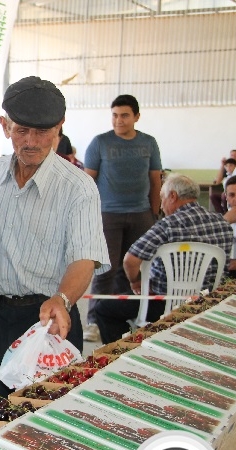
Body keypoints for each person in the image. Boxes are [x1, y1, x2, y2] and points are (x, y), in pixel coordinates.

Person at [0, 76, 109, 419]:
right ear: (5, 126)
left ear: (59, 128)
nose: (31, 142)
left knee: (43, 422)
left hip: (46, 323)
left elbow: (84, 258)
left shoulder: (78, 188)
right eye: (21, 130)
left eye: (43, 132)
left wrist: (63, 299)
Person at [93, 174, 233, 343]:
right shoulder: (222, 223)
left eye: (162, 198)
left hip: (163, 305)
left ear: (172, 196)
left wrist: (135, 281)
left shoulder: (167, 225)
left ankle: (128, 348)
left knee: (104, 309)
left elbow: (131, 260)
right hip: (208, 304)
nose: (161, 205)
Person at [84, 94, 162, 343]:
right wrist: (90, 215)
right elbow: (87, 181)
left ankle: (126, 317)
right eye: (115, 115)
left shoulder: (149, 143)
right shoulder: (100, 143)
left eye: (125, 115)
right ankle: (94, 321)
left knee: (135, 270)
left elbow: (155, 180)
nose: (119, 120)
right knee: (105, 269)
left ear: (136, 117)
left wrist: (154, 213)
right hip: (108, 215)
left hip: (141, 214)